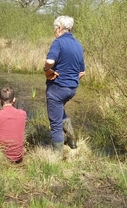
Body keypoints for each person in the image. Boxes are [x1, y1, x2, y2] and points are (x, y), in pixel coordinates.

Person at [43, 16, 85, 153]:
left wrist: (46, 69)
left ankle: (57, 156)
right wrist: (70, 79)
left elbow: (50, 61)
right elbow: (82, 72)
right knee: (60, 111)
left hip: (57, 88)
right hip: (72, 88)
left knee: (55, 123)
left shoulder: (58, 42)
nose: (54, 31)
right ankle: (72, 141)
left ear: (60, 28)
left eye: (55, 28)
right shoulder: (78, 44)